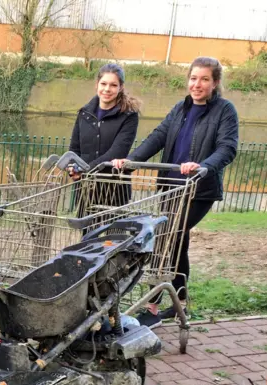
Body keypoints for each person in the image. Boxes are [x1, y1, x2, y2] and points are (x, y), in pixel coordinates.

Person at [112, 56, 239, 328]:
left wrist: (203, 166)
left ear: (215, 83)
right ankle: (179, 304)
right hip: (171, 188)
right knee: (177, 242)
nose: (197, 84)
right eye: (193, 78)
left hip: (198, 189)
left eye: (204, 79)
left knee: (167, 238)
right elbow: (158, 137)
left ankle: (153, 306)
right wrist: (132, 161)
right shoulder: (180, 109)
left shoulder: (224, 111)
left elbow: (227, 148)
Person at [68, 63, 140, 216]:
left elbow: (117, 151)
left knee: (111, 239)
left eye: (113, 85)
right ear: (97, 84)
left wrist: (85, 170)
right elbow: (74, 149)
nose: (107, 89)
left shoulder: (129, 116)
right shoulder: (84, 113)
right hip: (86, 189)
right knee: (87, 237)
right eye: (104, 84)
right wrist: (73, 167)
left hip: (114, 190)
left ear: (121, 87)